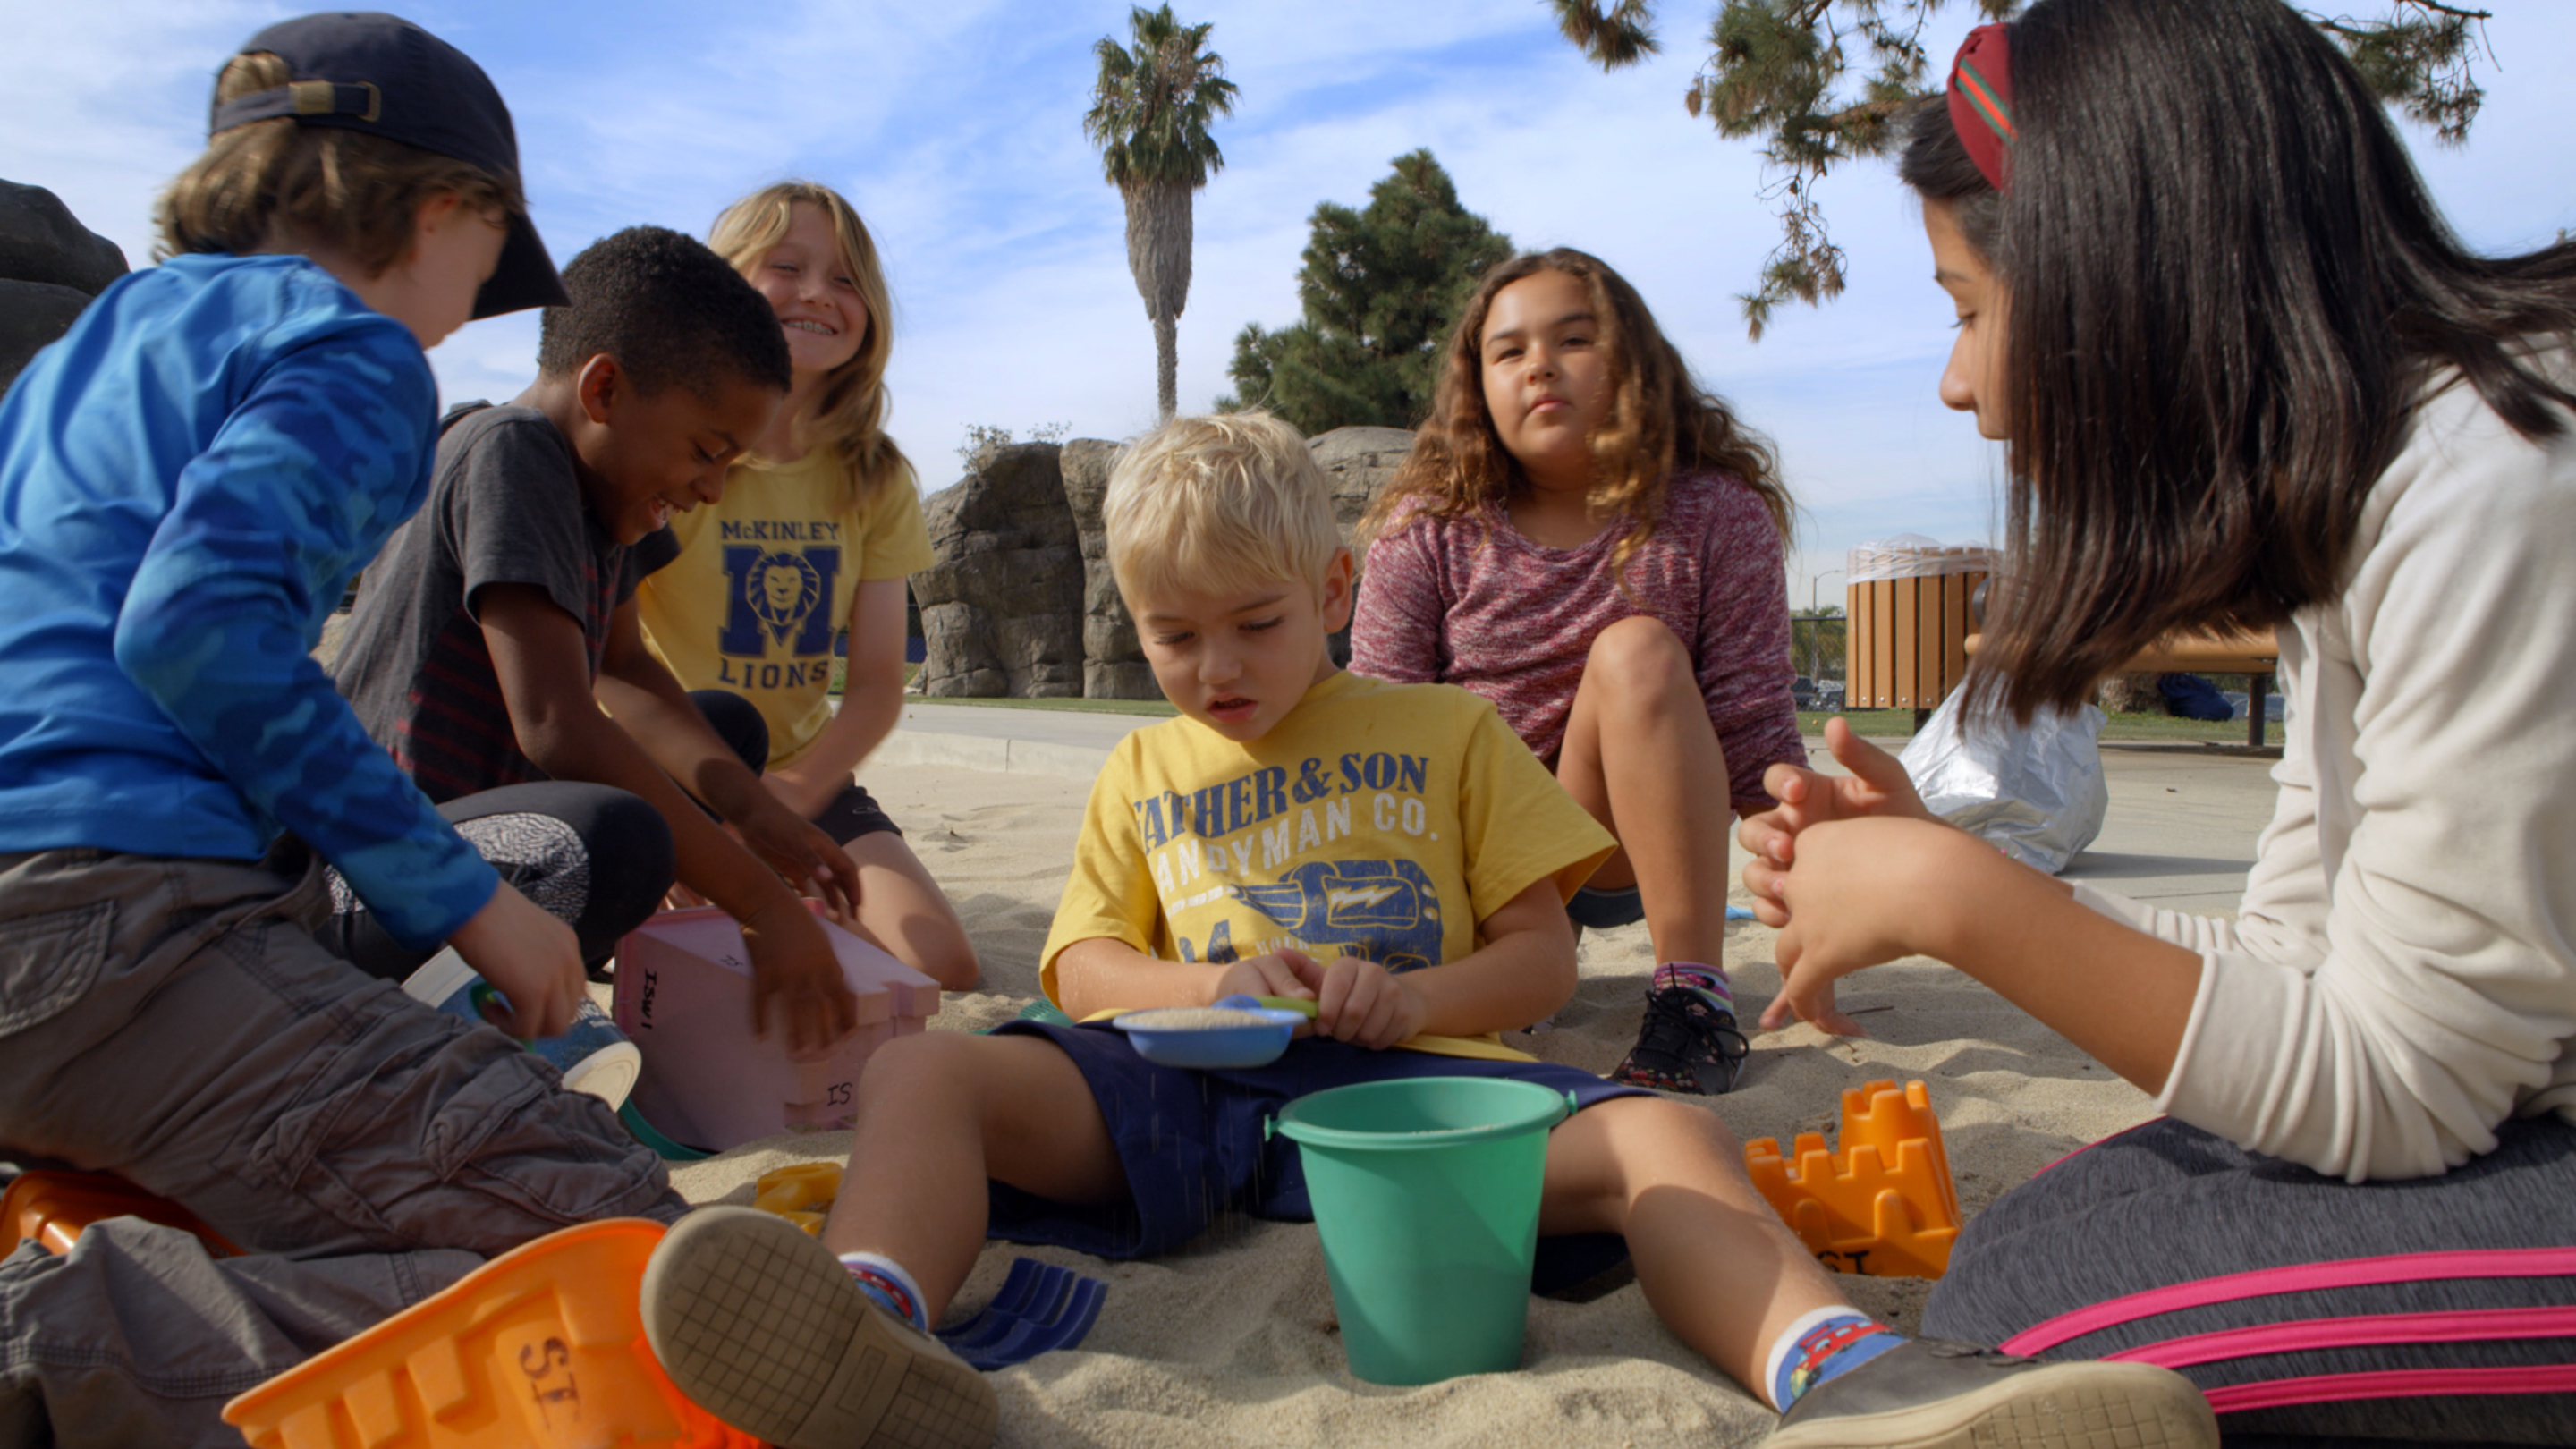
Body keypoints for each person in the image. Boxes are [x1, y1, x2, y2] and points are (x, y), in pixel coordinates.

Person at [630, 412, 2216, 1449]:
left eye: (1255, 626)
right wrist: (1208, 977)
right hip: (1184, 1087)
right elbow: (1082, 967)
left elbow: (1540, 962)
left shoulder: (1444, 733)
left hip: (1423, 1092)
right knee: (932, 1079)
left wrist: (1409, 995)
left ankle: (1847, 1374)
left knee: (1664, 1135)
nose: (1216, 670)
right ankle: (874, 1324)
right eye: (1173, 637)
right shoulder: (1142, 765)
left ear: (1334, 585)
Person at [1741, 2, 2576, 1440]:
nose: (1959, 383)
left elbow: (2405, 1086)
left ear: (2119, 278)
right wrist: (1967, 875)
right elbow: (2306, 964)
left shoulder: (2494, 474)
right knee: (2028, 1249)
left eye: (1969, 311)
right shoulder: (2362, 482)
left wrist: (1958, 896)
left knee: (2053, 1319)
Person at [0, 16, 691, 1445]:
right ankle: (45, 1347)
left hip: (47, 924)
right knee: (624, 1240)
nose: (462, 319)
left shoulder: (92, 351)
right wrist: (466, 901)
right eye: (484, 272)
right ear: (444, 208)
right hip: (109, 932)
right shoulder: (357, 354)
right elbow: (195, 630)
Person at [331, 225, 866, 1056]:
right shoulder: (512, 450)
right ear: (605, 389)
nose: (710, 488)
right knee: (624, 839)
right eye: (705, 452)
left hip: (500, 825)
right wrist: (760, 905)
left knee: (725, 729)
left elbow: (623, 670)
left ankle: (608, 928)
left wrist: (767, 824)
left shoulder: (607, 489)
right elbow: (557, 724)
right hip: (377, 868)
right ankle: (466, 998)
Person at [1347, 247, 1818, 1097]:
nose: (1540, 367)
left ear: (1634, 361)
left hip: (1622, 842)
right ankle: (1494, 979)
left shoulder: (1713, 514)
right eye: (1509, 350)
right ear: (1474, 383)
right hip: (1478, 859)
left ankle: (1692, 1002)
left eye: (1573, 339)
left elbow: (1754, 732)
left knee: (1634, 651)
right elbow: (1379, 735)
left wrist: (1818, 867)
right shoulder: (1428, 528)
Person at [633, 181, 977, 990]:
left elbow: (877, 689)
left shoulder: (876, 475)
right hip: (663, 775)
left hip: (802, 774)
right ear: (722, 286)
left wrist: (785, 800)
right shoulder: (668, 447)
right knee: (697, 964)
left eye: (848, 278)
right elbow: (598, 661)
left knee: (943, 968)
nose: (819, 293)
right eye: (787, 266)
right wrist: (702, 824)